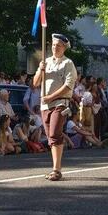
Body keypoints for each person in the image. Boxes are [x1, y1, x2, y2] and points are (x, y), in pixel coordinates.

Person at [32, 33, 77, 180]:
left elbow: (68, 85)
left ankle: (57, 170)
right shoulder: (46, 62)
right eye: (53, 45)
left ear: (64, 47)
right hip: (45, 105)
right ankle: (54, 167)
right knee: (51, 137)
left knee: (54, 133)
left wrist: (51, 97)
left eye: (58, 45)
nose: (54, 48)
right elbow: (35, 83)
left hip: (60, 103)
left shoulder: (68, 63)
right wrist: (40, 69)